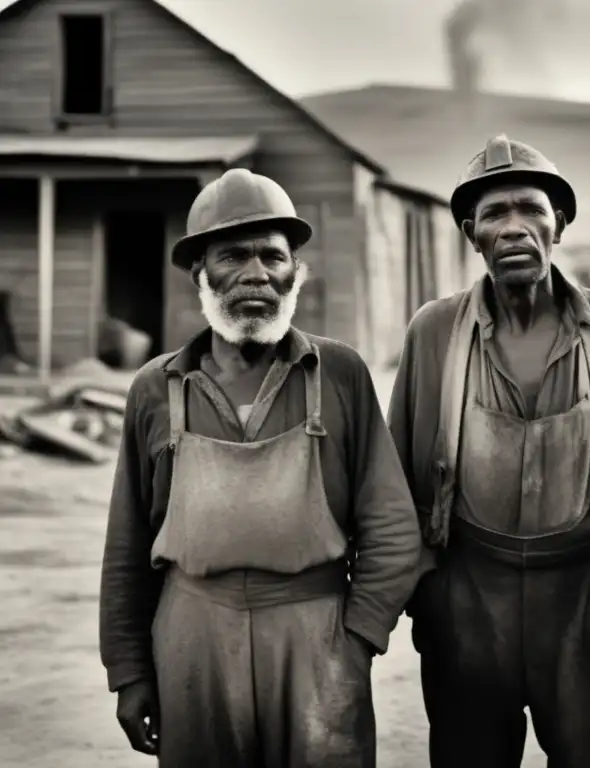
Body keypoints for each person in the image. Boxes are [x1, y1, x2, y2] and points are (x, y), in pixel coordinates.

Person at [99, 169, 423, 768]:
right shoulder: (154, 388)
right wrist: (128, 669)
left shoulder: (340, 373)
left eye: (272, 256)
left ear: (294, 272)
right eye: (232, 256)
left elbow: (393, 526)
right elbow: (128, 543)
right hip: (191, 634)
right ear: (200, 274)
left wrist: (357, 638)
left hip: (317, 632)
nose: (255, 275)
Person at [388, 134, 590, 768]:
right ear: (472, 233)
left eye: (530, 210)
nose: (514, 228)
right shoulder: (433, 331)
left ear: (560, 224)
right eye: (495, 214)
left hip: (584, 599)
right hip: (469, 598)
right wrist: (429, 596)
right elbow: (398, 481)